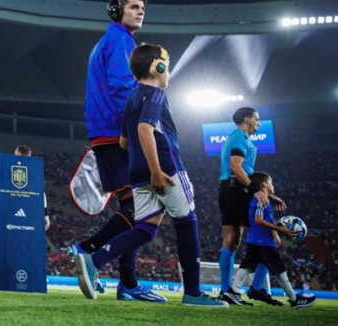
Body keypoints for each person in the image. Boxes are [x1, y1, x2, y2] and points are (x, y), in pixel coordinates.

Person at [75, 44, 226, 307]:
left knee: (145, 229)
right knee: (187, 222)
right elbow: (145, 129)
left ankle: (94, 260)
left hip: (136, 172)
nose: (169, 70)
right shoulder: (156, 94)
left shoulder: (132, 98)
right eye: (167, 64)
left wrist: (144, 163)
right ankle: (192, 293)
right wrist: (156, 170)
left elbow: (124, 142)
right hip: (166, 168)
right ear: (157, 66)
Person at [69, 0, 163, 301]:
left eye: (142, 8)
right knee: (141, 208)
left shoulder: (105, 42)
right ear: (115, 12)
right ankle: (88, 250)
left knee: (132, 208)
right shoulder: (121, 41)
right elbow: (123, 86)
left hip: (103, 131)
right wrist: (144, 122)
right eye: (134, 7)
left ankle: (128, 284)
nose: (140, 12)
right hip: (117, 131)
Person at [217, 107, 279, 306]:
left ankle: (226, 291)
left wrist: (269, 195)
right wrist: (255, 190)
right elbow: (236, 166)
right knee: (269, 236)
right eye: (257, 119)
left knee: (231, 239)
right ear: (247, 119)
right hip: (238, 189)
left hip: (227, 188)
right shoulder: (241, 138)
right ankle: (257, 288)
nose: (258, 123)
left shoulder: (233, 137)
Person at [231, 172, 317, 309]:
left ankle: (234, 291)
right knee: (280, 271)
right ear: (264, 185)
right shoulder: (261, 199)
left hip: (256, 240)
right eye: (271, 183)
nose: (273, 186)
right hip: (264, 242)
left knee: (246, 267)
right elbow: (258, 220)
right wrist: (279, 229)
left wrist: (275, 230)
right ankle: (295, 299)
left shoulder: (263, 199)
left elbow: (262, 219)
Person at [14, 145, 50, 232]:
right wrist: (45, 215)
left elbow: (41, 194)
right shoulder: (35, 171)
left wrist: (45, 215)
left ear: (18, 154)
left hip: (18, 210)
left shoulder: (10, 168)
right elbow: (42, 194)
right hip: (27, 211)